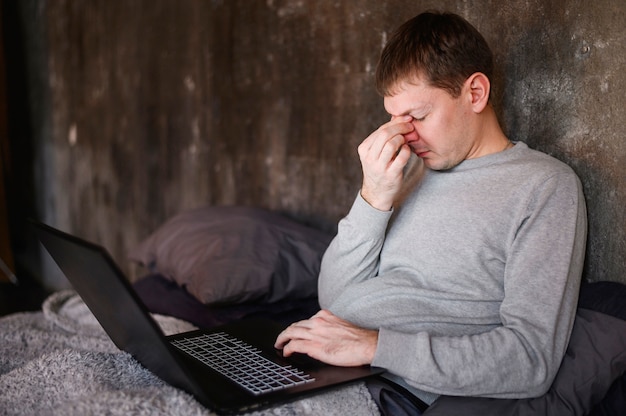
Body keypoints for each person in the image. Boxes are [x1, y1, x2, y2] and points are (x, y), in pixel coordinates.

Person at [275, 10, 587, 414]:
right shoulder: (405, 172)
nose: (404, 134)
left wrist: (374, 347)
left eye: (418, 116)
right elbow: (333, 300)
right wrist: (373, 195)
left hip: (392, 389)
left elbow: (530, 359)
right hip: (332, 366)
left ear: (474, 93)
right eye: (395, 117)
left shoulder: (543, 187)